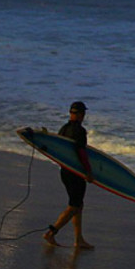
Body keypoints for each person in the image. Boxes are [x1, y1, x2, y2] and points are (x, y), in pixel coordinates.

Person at [44, 101, 95, 249]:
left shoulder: (63, 129)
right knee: (74, 206)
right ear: (80, 114)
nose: (84, 116)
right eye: (83, 113)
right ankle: (51, 233)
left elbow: (60, 151)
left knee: (78, 205)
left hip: (65, 172)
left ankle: (79, 239)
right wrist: (88, 171)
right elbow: (81, 153)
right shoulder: (80, 131)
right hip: (76, 174)